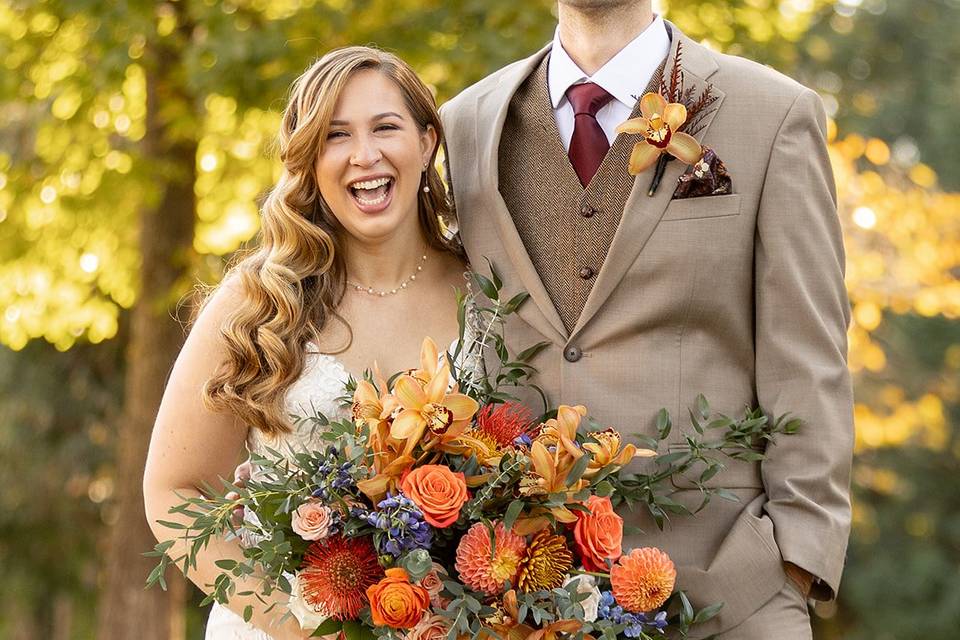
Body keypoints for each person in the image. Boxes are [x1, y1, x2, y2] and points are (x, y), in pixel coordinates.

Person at [440, 1, 854, 638]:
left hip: (730, 595)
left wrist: (795, 560)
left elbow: (808, 357)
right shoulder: (464, 125)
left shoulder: (771, 115)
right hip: (515, 601)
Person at [143, 47, 466, 639]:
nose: (364, 155)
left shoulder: (489, 295)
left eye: (385, 128)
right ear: (309, 161)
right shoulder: (259, 302)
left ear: (426, 143)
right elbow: (171, 493)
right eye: (335, 136)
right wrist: (296, 626)